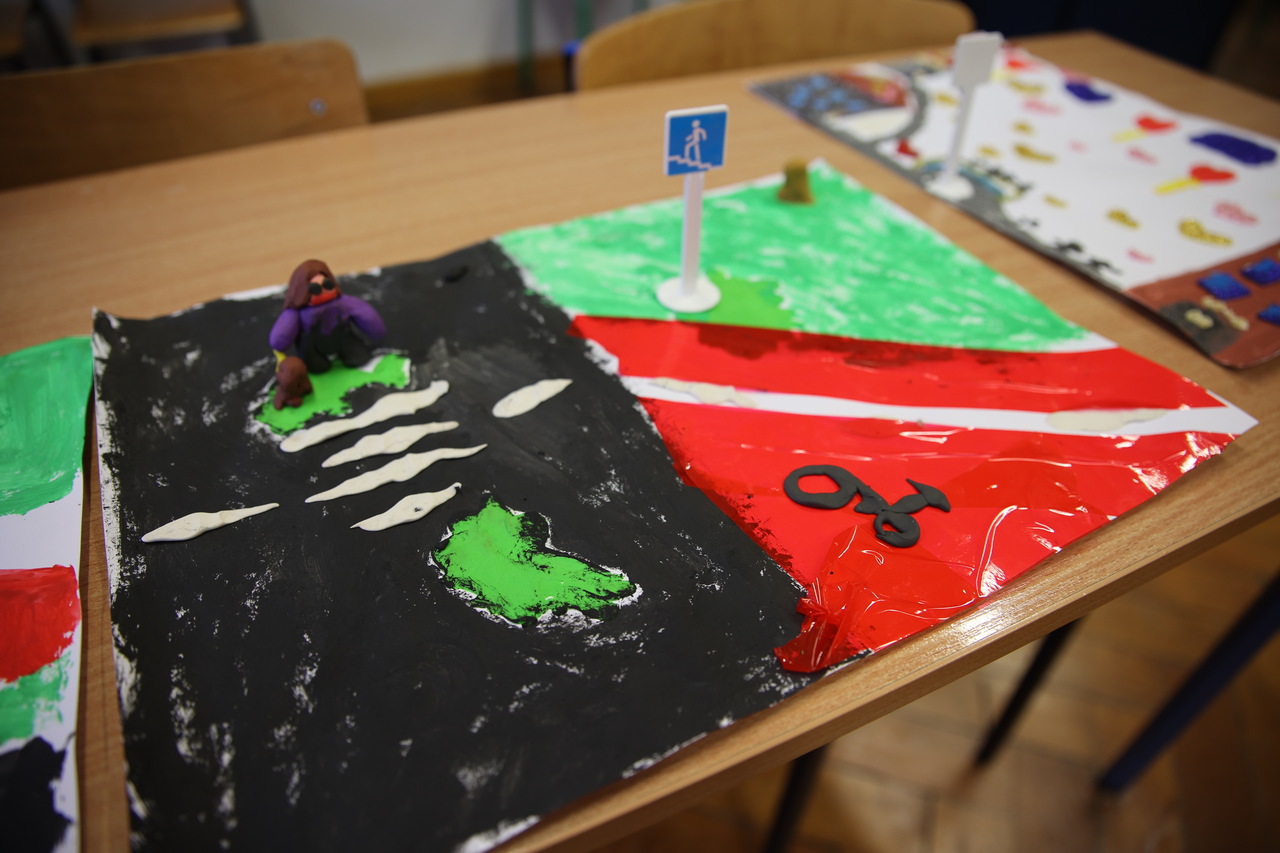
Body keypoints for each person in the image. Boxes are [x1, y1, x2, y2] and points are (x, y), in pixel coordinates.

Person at [268, 260, 386, 373]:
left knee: (360, 357)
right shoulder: (296, 312)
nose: (323, 290)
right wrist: (279, 344)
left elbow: (366, 315)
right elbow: (282, 332)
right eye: (315, 289)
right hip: (312, 346)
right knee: (318, 367)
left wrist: (376, 330)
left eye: (327, 285)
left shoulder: (343, 303)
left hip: (343, 337)